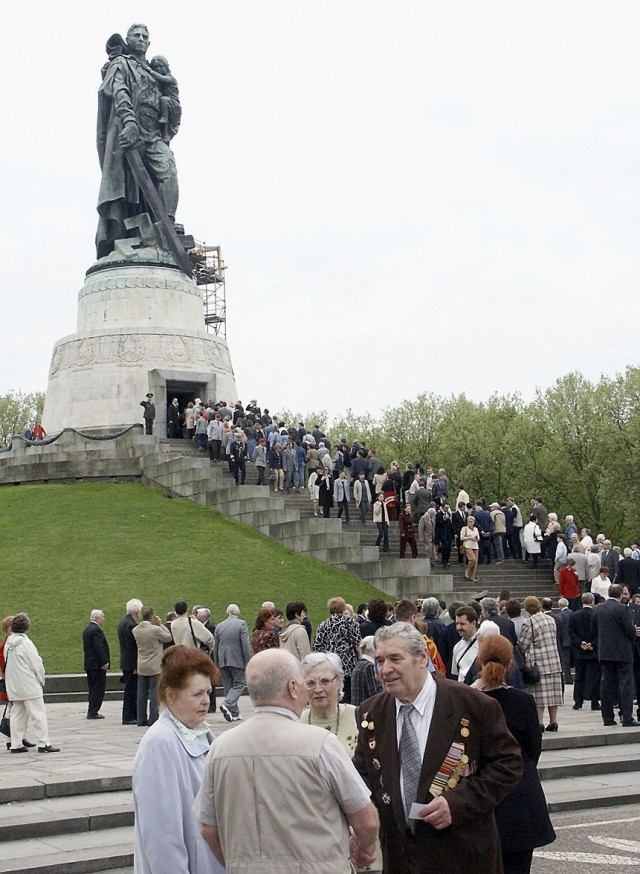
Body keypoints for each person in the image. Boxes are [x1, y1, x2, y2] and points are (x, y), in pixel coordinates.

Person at [353, 623, 522, 874]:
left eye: (395, 659)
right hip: (401, 859)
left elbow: (508, 765)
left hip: (462, 857)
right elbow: (363, 778)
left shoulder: (473, 705)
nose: (385, 669)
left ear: (422, 658)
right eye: (380, 661)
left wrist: (457, 803)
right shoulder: (371, 713)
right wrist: (358, 830)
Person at [199, 649, 379, 872]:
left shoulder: (219, 748)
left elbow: (208, 827)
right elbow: (366, 820)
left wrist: (237, 865)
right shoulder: (321, 744)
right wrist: (365, 848)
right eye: (306, 682)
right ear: (293, 688)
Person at [132, 645, 223, 874]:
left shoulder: (201, 732)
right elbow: (162, 835)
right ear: (171, 695)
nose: (206, 701)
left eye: (208, 692)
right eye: (197, 694)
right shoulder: (160, 742)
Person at [471, 635, 555, 873]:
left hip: (482, 792)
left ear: (479, 660)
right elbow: (534, 747)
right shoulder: (523, 701)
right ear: (510, 664)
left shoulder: (469, 700)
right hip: (521, 791)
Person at [96, 23, 180, 259]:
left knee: (168, 169)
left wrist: (172, 110)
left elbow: (172, 98)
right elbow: (119, 91)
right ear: (128, 39)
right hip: (131, 130)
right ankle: (130, 235)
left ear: (149, 43)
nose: (141, 39)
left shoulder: (156, 71)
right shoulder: (121, 63)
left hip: (154, 133)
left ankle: (167, 224)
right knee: (130, 187)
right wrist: (129, 122)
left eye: (145, 36)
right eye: (136, 35)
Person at [4, 614, 60, 753]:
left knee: (17, 714)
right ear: (26, 627)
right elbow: (36, 664)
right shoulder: (26, 643)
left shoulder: (8, 644)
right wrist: (41, 679)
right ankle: (44, 742)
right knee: (38, 714)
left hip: (14, 685)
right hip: (29, 684)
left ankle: (16, 744)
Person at [590, 583, 638, 727]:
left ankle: (607, 718)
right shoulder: (623, 609)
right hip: (622, 652)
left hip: (605, 652)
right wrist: (634, 632)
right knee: (625, 684)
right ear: (620, 595)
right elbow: (629, 631)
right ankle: (627, 717)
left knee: (606, 685)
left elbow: (593, 631)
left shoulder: (597, 608)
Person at [517, 596, 563, 731]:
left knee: (539, 695)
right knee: (554, 694)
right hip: (554, 661)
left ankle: (540, 722)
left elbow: (523, 644)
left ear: (526, 608)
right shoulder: (550, 620)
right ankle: (553, 722)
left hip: (539, 663)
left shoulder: (530, 622)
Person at [300, 652, 358, 754]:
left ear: (339, 682)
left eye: (325, 681)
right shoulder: (297, 722)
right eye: (310, 683)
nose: (318, 689)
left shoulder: (357, 716)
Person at [313, 597, 362, 704]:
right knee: (348, 695)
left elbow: (317, 646)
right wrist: (361, 658)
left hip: (330, 665)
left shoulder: (323, 625)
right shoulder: (351, 623)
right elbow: (357, 644)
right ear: (343, 608)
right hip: (348, 665)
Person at [132, 606, 173, 726]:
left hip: (142, 664)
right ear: (152, 616)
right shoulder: (155, 629)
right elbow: (168, 637)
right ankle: (153, 719)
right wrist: (160, 624)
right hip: (154, 665)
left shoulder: (136, 630)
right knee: (154, 693)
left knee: (141, 693)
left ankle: (141, 719)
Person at [213, 604, 250, 722]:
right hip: (236, 657)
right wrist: (247, 660)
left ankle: (234, 713)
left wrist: (216, 660)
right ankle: (227, 704)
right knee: (239, 683)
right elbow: (245, 644)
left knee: (228, 685)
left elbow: (215, 645)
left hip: (223, 658)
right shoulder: (242, 624)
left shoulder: (220, 626)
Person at [568, 592, 601, 711]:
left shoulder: (573, 615)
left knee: (579, 677)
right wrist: (593, 644)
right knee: (594, 677)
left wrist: (580, 643)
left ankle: (578, 701)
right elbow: (599, 632)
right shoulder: (596, 615)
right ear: (592, 601)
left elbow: (571, 632)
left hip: (579, 651)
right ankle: (594, 702)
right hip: (593, 651)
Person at [118, 598, 143, 725]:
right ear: (137, 611)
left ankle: (130, 715)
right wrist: (135, 665)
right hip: (130, 663)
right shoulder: (131, 625)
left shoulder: (123, 622)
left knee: (130, 690)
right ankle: (129, 716)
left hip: (126, 662)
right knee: (131, 691)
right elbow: (131, 648)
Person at [82, 609, 110, 720]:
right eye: (102, 617)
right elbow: (98, 647)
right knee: (98, 689)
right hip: (97, 665)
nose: (103, 619)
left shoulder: (87, 629)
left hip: (90, 664)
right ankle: (93, 711)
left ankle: (92, 710)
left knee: (92, 688)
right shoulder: (96, 631)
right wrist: (104, 661)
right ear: (97, 618)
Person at [146, 55, 181, 143]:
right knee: (164, 123)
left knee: (164, 100)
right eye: (155, 67)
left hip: (172, 101)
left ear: (166, 67)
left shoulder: (171, 78)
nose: (158, 69)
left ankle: (164, 118)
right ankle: (165, 134)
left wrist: (149, 70)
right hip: (164, 104)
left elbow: (161, 78)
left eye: (161, 66)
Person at [350, 636, 382, 707]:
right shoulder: (369, 667)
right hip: (368, 709)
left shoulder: (358, 665)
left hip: (358, 708)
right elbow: (376, 694)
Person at [459, 515, 480, 581]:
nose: (470, 523)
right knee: (473, 559)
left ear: (474, 522)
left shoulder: (476, 529)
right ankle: (467, 570)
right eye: (469, 521)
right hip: (467, 545)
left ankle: (472, 577)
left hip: (475, 545)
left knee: (475, 562)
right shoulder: (464, 528)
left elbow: (478, 538)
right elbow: (461, 538)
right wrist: (470, 538)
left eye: (471, 521)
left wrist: (476, 538)